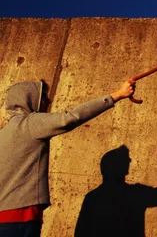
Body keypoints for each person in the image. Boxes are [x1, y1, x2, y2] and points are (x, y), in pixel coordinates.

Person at [0, 77, 136, 236]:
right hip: (20, 220)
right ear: (30, 98)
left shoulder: (4, 133)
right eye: (43, 96)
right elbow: (70, 117)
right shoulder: (30, 123)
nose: (48, 101)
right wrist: (117, 95)